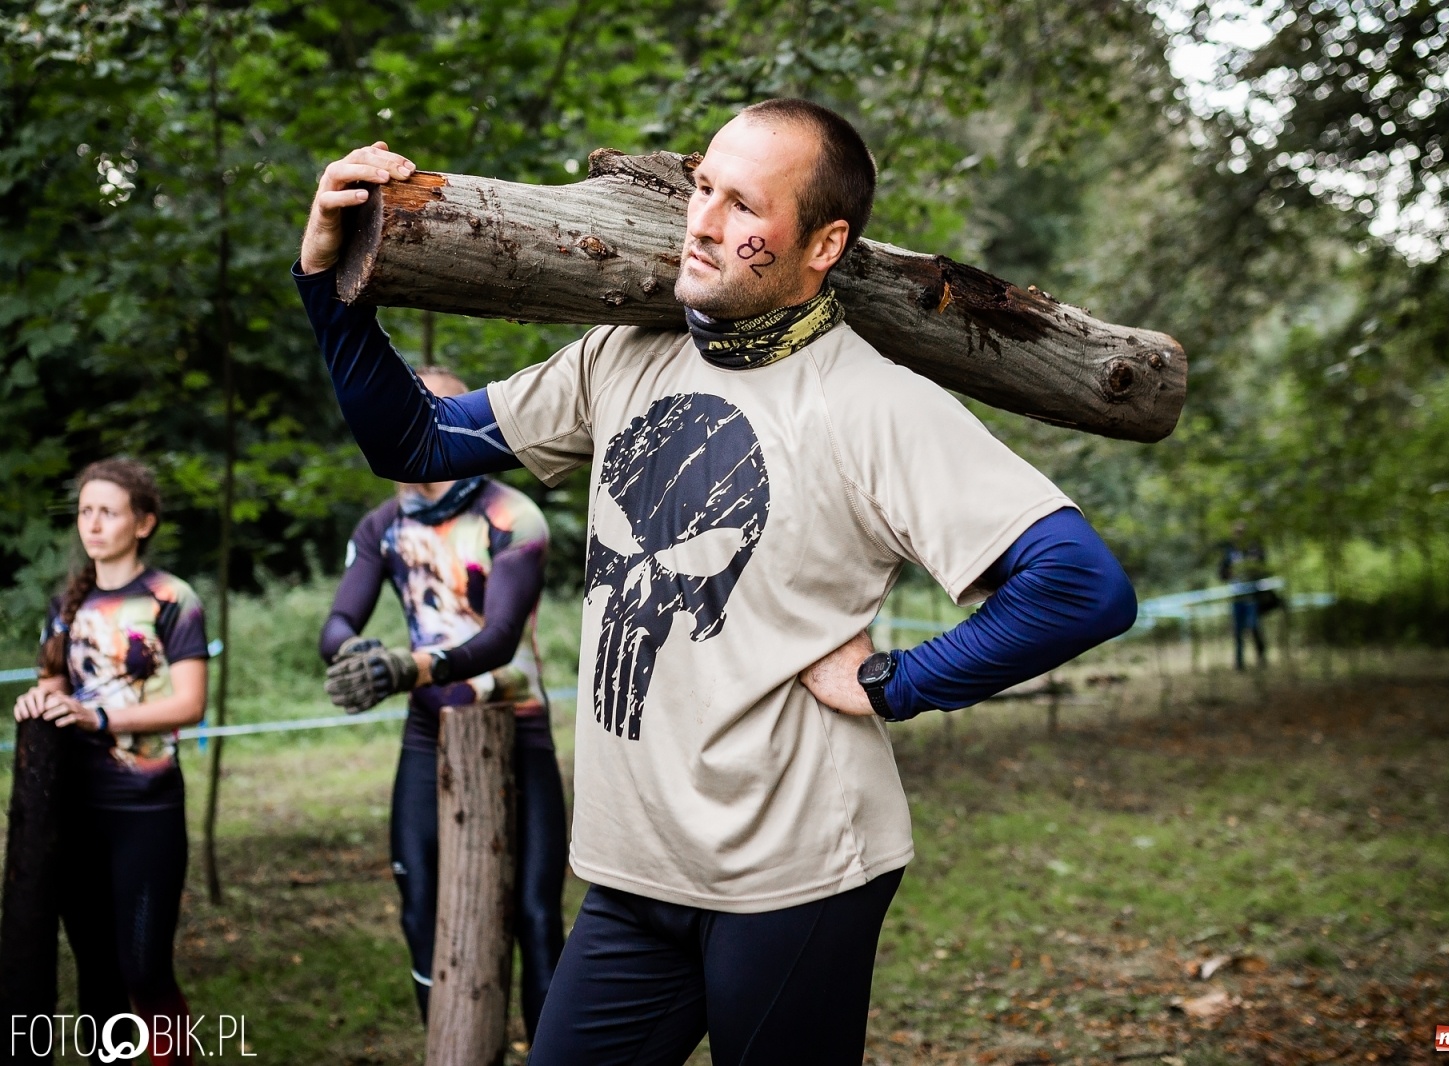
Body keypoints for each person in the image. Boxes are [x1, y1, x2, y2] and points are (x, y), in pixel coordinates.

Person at [295, 99, 1137, 1065]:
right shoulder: (624, 352)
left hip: (795, 877)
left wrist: (894, 684)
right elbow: (414, 438)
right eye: (702, 186)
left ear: (824, 244)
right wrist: (327, 279)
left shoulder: (872, 405)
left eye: (745, 206)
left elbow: (1079, 585)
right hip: (633, 873)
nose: (702, 220)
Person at [317, 365, 566, 1036]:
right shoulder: (384, 525)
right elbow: (337, 625)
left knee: (537, 915)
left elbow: (499, 640)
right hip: (430, 729)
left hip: (516, 722)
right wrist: (358, 656)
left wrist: (404, 667)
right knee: (417, 903)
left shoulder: (512, 515)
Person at [13, 459, 207, 1066]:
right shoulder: (64, 607)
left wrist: (98, 718)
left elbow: (189, 703)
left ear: (143, 522)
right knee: (96, 984)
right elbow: (53, 689)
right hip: (73, 814)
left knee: (144, 974)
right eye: (85, 511)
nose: (93, 524)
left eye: (109, 511)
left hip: (145, 810)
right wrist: (36, 701)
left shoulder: (173, 599)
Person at [1219, 521, 1268, 670]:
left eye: (1242, 532)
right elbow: (1222, 572)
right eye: (1237, 532)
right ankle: (1239, 664)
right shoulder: (1230, 551)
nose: (1240, 535)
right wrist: (1229, 572)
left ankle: (1261, 657)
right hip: (1237, 596)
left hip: (1252, 595)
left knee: (1254, 626)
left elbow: (1264, 567)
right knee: (1238, 630)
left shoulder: (1254, 549)